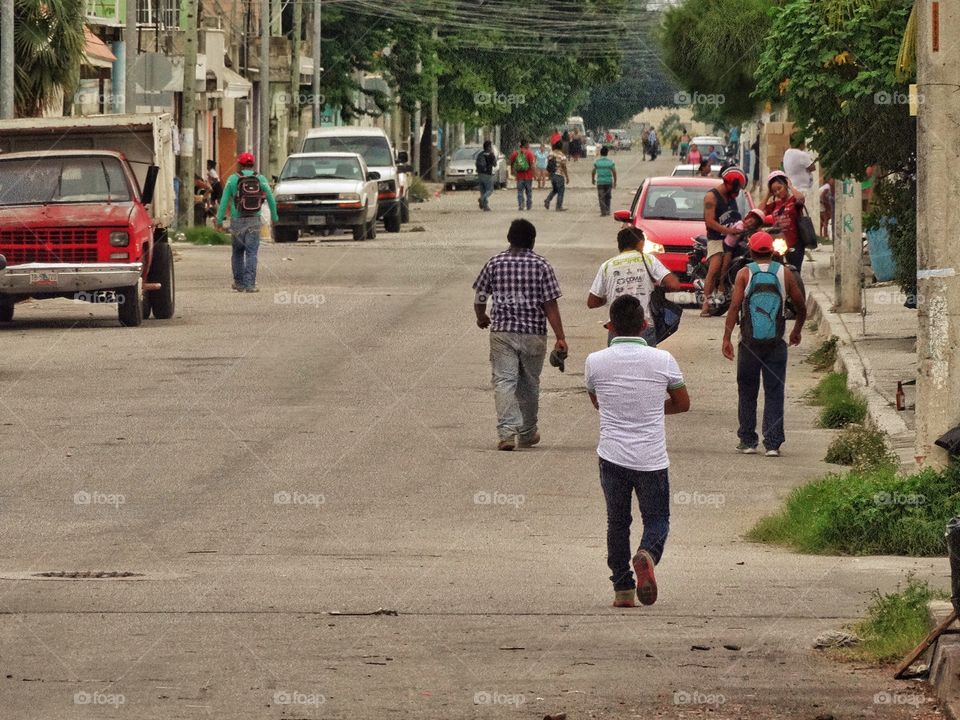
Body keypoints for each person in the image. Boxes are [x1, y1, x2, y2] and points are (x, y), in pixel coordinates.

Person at [585, 294, 690, 608]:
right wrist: (654, 411)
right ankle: (647, 554)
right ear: (645, 326)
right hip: (651, 459)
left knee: (617, 522)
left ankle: (622, 590)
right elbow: (683, 404)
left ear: (611, 326)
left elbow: (598, 404)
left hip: (612, 456)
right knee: (658, 518)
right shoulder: (663, 360)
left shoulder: (595, 361)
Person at [473, 219, 567, 451]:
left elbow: (481, 296)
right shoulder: (542, 265)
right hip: (533, 333)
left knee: (504, 381)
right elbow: (550, 305)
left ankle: (506, 433)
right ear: (533, 241)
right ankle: (526, 433)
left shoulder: (495, 263)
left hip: (502, 332)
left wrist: (481, 317)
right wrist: (560, 337)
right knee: (529, 383)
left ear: (508, 238)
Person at [722, 231, 806, 457]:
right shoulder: (785, 273)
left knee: (747, 391)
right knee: (774, 391)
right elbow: (801, 305)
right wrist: (796, 330)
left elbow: (733, 308)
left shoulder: (744, 273)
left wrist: (726, 338)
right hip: (776, 343)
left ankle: (748, 441)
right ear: (772, 251)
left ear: (750, 251)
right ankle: (773, 444)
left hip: (749, 343)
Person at [588, 226, 682, 347]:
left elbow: (592, 302)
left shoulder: (607, 266)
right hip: (643, 326)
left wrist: (612, 295)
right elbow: (673, 284)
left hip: (616, 329)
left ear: (619, 245)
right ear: (640, 243)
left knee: (617, 364)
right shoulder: (648, 260)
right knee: (645, 364)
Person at [215, 152, 277, 293]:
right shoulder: (260, 179)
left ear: (239, 164)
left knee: (237, 252)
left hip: (237, 220)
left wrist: (219, 220)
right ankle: (250, 284)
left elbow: (224, 201)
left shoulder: (232, 180)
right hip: (254, 220)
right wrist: (275, 216)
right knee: (252, 252)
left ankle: (239, 283)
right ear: (253, 164)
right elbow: (271, 199)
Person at [700, 166, 745, 316]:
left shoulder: (732, 197)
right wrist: (728, 231)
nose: (736, 193)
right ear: (726, 183)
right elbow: (709, 221)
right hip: (716, 238)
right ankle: (705, 304)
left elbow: (736, 216)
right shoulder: (711, 197)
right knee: (715, 267)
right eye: (735, 189)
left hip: (732, 238)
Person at [763, 170, 806, 272]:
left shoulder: (793, 201)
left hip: (795, 243)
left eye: (779, 188)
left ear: (785, 185)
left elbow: (801, 198)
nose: (777, 192)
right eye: (774, 191)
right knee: (777, 272)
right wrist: (767, 195)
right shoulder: (774, 205)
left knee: (794, 272)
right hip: (777, 244)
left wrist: (791, 186)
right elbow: (758, 212)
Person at [509, 140, 536, 211]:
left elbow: (511, 162)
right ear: (526, 145)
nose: (529, 145)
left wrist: (512, 170)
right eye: (528, 144)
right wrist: (534, 174)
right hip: (528, 176)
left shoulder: (515, 153)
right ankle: (528, 205)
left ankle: (521, 205)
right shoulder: (529, 153)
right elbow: (532, 165)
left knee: (520, 192)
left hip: (519, 176)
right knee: (528, 192)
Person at [543, 141, 569, 212]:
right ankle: (558, 206)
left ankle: (547, 200)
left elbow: (548, 163)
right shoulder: (562, 156)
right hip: (559, 175)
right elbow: (564, 167)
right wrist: (567, 177)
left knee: (555, 189)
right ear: (561, 147)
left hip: (552, 175)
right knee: (561, 191)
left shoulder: (551, 154)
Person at [591, 146, 617, 216]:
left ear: (600, 153)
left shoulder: (597, 162)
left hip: (600, 182)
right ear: (607, 153)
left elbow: (593, 171)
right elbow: (614, 172)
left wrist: (593, 179)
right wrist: (615, 182)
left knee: (601, 197)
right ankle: (608, 210)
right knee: (608, 196)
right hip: (608, 182)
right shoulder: (610, 162)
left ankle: (603, 212)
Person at [475, 140, 497, 211]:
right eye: (491, 146)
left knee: (483, 191)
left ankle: (485, 206)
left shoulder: (480, 154)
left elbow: (476, 163)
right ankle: (482, 199)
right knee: (490, 190)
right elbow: (495, 164)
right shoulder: (491, 154)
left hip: (480, 174)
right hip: (487, 174)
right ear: (489, 147)